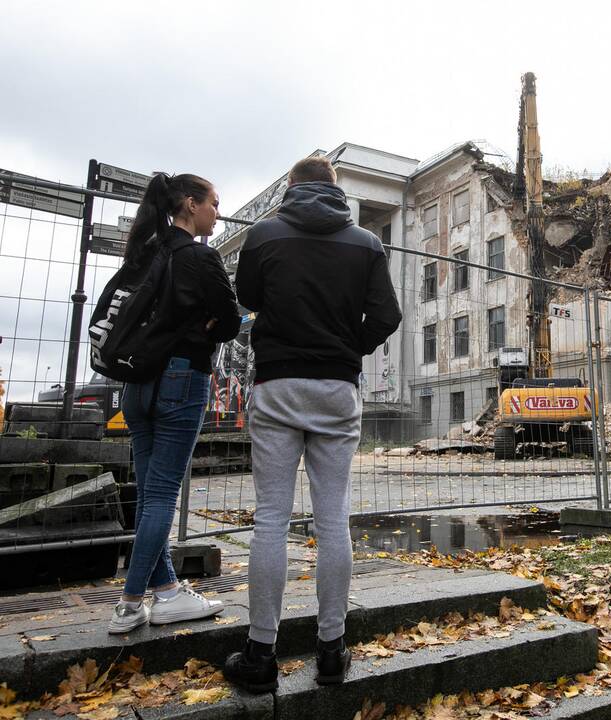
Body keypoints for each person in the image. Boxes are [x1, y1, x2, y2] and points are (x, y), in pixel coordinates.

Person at [224, 157, 402, 692]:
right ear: (335, 190)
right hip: (336, 388)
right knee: (333, 520)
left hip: (277, 383)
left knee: (271, 518)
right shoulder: (366, 243)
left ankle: (260, 655)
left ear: (292, 188)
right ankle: (331, 650)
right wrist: (349, 349)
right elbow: (388, 315)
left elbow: (249, 298)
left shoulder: (263, 234)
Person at [107, 173, 241, 634]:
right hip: (181, 378)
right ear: (190, 204)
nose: (217, 212)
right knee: (163, 494)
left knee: (149, 493)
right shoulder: (201, 257)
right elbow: (229, 320)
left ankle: (166, 595)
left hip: (136, 382)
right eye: (214, 203)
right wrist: (207, 323)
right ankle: (128, 603)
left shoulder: (144, 252)